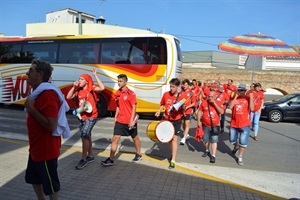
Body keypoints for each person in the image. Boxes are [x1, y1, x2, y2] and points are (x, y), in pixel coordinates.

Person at [24, 59, 62, 200]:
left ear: (40, 74)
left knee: (51, 186)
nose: (27, 73)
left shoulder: (48, 95)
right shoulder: (37, 93)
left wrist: (31, 109)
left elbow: (51, 124)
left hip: (46, 150)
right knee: (34, 178)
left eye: (31, 70)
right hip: (36, 148)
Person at [66, 68, 105, 170]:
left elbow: (102, 88)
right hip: (82, 117)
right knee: (87, 136)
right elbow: (68, 97)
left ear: (87, 81)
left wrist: (95, 75)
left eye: (82, 79)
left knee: (84, 136)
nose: (79, 80)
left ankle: (83, 159)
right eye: (79, 79)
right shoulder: (78, 90)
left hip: (91, 116)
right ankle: (91, 155)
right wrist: (74, 87)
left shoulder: (91, 88)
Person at [101, 74, 142, 166]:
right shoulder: (118, 93)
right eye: (118, 81)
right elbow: (118, 106)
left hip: (130, 120)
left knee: (135, 138)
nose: (118, 83)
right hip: (120, 120)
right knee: (115, 139)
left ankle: (139, 154)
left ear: (125, 82)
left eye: (120, 81)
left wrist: (131, 121)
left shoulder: (131, 93)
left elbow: (134, 108)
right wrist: (115, 117)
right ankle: (111, 159)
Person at [155, 78, 184, 169]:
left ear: (178, 87)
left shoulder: (181, 97)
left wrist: (182, 106)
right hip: (167, 119)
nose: (171, 88)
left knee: (174, 139)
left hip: (176, 120)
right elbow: (162, 104)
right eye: (170, 86)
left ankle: (173, 159)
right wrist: (159, 111)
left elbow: (184, 109)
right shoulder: (166, 94)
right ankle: (173, 152)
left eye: (173, 87)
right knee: (168, 139)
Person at [229, 83, 254, 166]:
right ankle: (236, 146)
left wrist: (250, 97)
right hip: (234, 123)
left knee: (243, 142)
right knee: (232, 139)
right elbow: (230, 107)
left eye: (242, 90)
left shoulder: (247, 98)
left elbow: (252, 108)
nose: (240, 92)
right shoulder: (235, 98)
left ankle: (240, 156)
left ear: (245, 91)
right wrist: (235, 97)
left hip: (244, 124)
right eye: (239, 90)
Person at [197, 91, 224, 163]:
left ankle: (213, 155)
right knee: (205, 139)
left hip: (215, 125)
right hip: (205, 125)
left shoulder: (218, 102)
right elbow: (199, 111)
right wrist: (199, 122)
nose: (210, 98)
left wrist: (214, 103)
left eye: (212, 97)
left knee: (214, 140)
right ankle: (207, 150)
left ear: (215, 97)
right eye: (209, 96)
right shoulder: (204, 102)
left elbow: (221, 112)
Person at [180, 79, 196, 145]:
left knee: (187, 124)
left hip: (188, 111)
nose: (184, 86)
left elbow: (194, 103)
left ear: (188, 85)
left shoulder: (191, 93)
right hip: (181, 111)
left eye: (186, 85)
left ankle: (183, 138)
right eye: (184, 85)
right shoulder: (181, 92)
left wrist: (187, 107)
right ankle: (186, 134)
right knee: (183, 123)